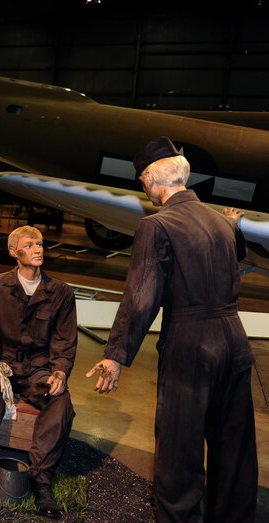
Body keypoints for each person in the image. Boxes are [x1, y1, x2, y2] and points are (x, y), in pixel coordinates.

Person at [86, 136, 257, 523]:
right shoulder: (221, 220)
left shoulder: (157, 225)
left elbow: (141, 296)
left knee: (180, 451)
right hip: (234, 338)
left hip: (191, 343)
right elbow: (237, 258)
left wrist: (115, 355)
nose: (143, 187)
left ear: (152, 179)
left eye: (143, 179)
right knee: (234, 448)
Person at [0, 225, 77, 520]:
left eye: (41, 244)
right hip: (3, 364)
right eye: (30, 245)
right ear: (13, 252)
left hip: (38, 369)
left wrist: (60, 372)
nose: (38, 249)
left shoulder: (60, 292)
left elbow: (64, 340)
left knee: (61, 401)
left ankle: (41, 480)